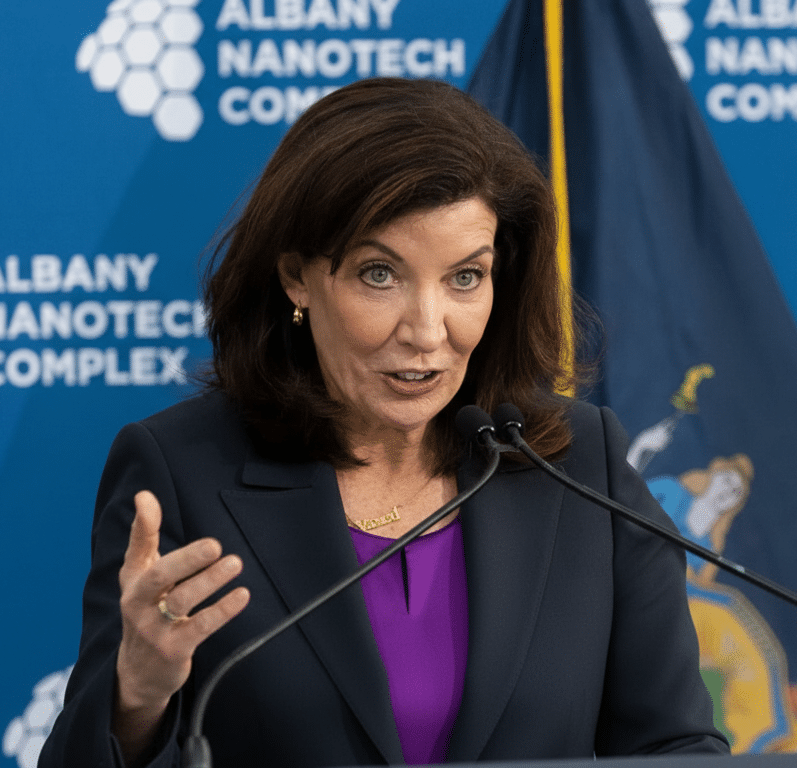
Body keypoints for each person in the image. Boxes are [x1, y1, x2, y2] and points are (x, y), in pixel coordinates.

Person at [40, 77, 728, 767]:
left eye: (465, 277)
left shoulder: (580, 467)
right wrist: (136, 694)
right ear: (297, 278)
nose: (427, 332)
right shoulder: (181, 472)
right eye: (379, 274)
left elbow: (678, 746)